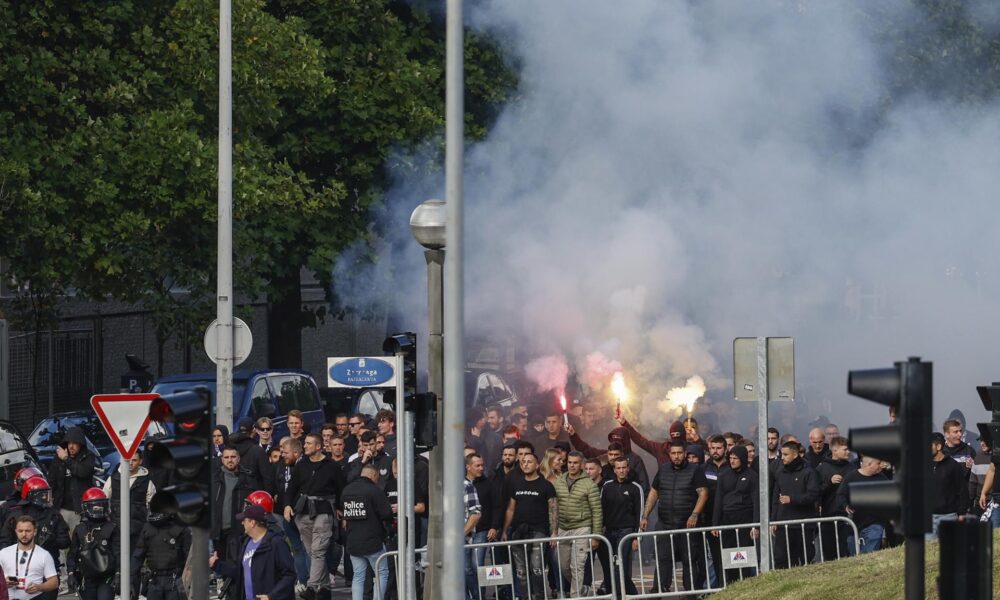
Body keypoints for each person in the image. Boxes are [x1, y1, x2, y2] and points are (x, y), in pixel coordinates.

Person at [641, 442, 709, 594]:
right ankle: (659, 589)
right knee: (663, 558)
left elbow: (703, 493)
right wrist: (645, 515)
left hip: (687, 525)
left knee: (689, 559)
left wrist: (694, 514)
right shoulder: (663, 469)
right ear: (669, 455)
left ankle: (691, 592)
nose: (676, 456)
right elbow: (653, 493)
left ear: (684, 454)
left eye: (679, 453)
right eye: (673, 453)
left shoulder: (695, 470)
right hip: (665, 523)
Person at [283, 433, 344, 600]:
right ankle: (324, 589)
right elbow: (291, 489)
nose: (305, 446)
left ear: (318, 446)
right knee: (312, 552)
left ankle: (312, 586)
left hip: (324, 511)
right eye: (305, 443)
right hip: (302, 512)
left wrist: (339, 508)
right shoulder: (301, 465)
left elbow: (341, 488)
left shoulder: (332, 466)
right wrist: (287, 506)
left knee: (318, 551)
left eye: (309, 443)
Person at [0, 477, 68, 599]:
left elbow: (65, 542)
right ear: (31, 496)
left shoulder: (53, 515)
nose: (46, 498)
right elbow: (4, 542)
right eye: (42, 495)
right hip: (19, 571)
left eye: (47, 494)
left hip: (47, 569)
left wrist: (51, 540)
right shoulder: (15, 515)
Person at [210, 504, 296, 600]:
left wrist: (271, 596)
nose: (242, 523)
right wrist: (217, 565)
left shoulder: (276, 543)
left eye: (244, 520)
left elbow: (289, 575)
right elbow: (240, 572)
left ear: (252, 523)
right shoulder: (246, 543)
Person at [502, 453, 556, 600]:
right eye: (523, 462)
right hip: (518, 532)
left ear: (537, 465)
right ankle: (526, 597)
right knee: (521, 571)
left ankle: (539, 596)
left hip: (539, 531)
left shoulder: (546, 485)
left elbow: (553, 510)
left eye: (529, 462)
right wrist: (505, 530)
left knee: (537, 568)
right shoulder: (517, 484)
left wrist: (554, 533)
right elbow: (510, 509)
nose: (525, 464)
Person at [552, 452, 601, 596]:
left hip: (582, 528)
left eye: (575, 463)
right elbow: (553, 508)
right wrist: (553, 530)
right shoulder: (559, 482)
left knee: (577, 566)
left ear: (581, 465)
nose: (572, 465)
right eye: (569, 462)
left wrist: (596, 536)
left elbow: (597, 511)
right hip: (563, 528)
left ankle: (576, 596)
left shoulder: (589, 484)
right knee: (563, 566)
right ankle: (580, 589)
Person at [341, 464, 392, 600]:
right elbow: (387, 513)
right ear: (373, 476)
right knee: (381, 573)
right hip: (373, 541)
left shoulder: (346, 490)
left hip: (353, 541)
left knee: (358, 576)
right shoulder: (373, 490)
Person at [711, 446, 759, 583]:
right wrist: (715, 523)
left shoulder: (752, 476)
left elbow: (756, 501)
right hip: (727, 520)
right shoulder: (724, 475)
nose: (732, 461)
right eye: (730, 458)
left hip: (745, 519)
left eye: (735, 458)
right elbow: (718, 500)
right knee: (727, 554)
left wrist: (755, 525)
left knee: (744, 555)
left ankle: (745, 583)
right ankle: (727, 584)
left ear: (742, 459)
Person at [770, 440, 820, 568]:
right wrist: (774, 520)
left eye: (786, 455)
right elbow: (776, 498)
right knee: (780, 558)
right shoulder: (780, 472)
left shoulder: (808, 472)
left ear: (795, 455)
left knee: (805, 558)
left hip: (803, 524)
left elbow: (813, 495)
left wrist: (792, 499)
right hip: (784, 524)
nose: (782, 458)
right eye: (782, 454)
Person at [48, 426, 98, 554]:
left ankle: (80, 571)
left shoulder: (88, 457)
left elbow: (81, 472)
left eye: (75, 443)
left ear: (81, 444)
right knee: (60, 543)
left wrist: (66, 459)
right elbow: (52, 479)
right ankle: (63, 573)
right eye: (69, 443)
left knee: (80, 543)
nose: (71, 446)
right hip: (61, 508)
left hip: (79, 510)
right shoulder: (58, 457)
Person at [599, 457, 642, 598]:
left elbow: (639, 513)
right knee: (610, 566)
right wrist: (600, 530)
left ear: (628, 468)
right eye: (618, 468)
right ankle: (632, 593)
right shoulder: (606, 486)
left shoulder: (636, 488)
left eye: (624, 467)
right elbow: (601, 510)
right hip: (609, 532)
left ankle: (617, 596)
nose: (621, 470)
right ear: (614, 470)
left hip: (627, 531)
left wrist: (637, 536)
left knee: (620, 565)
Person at [67, 489, 119, 600]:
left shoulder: (112, 528)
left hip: (107, 577)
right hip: (87, 578)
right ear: (86, 508)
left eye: (101, 505)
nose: (98, 510)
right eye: (95, 507)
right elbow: (73, 554)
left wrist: (118, 573)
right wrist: (71, 573)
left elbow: (118, 554)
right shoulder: (80, 529)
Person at [212, 445, 257, 571]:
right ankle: (222, 586)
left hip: (238, 530)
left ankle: (234, 589)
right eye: (226, 457)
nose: (229, 460)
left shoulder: (248, 479)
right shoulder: (214, 479)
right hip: (218, 530)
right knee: (220, 563)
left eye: (233, 457)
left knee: (237, 565)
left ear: (238, 459)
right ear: (222, 459)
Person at [131, 512, 191, 600]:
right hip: (155, 580)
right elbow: (137, 556)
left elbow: (190, 558)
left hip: (175, 580)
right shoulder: (148, 528)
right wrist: (130, 579)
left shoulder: (182, 528)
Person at [837, 456, 890, 553]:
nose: (881, 466)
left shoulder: (882, 478)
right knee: (854, 557)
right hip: (854, 525)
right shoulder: (851, 477)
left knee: (869, 554)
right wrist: (845, 506)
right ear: (869, 464)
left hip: (875, 523)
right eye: (878, 463)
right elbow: (841, 495)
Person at [0, 516, 59, 600]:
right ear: (16, 532)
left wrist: (39, 587)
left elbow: (54, 582)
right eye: (20, 531)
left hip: (34, 598)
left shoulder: (44, 555)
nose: (24, 534)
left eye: (28, 531)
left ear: (35, 531)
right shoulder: (3, 553)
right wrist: (3, 582)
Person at [815, 436, 852, 561]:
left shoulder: (851, 468)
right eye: (845, 450)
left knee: (845, 552)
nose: (848, 452)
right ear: (834, 451)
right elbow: (815, 491)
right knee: (829, 553)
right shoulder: (822, 468)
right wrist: (829, 483)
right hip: (828, 516)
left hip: (847, 516)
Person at [928, 432, 969, 540]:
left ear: (939, 446)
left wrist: (962, 513)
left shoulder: (953, 466)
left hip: (949, 517)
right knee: (928, 554)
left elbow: (962, 490)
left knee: (949, 552)